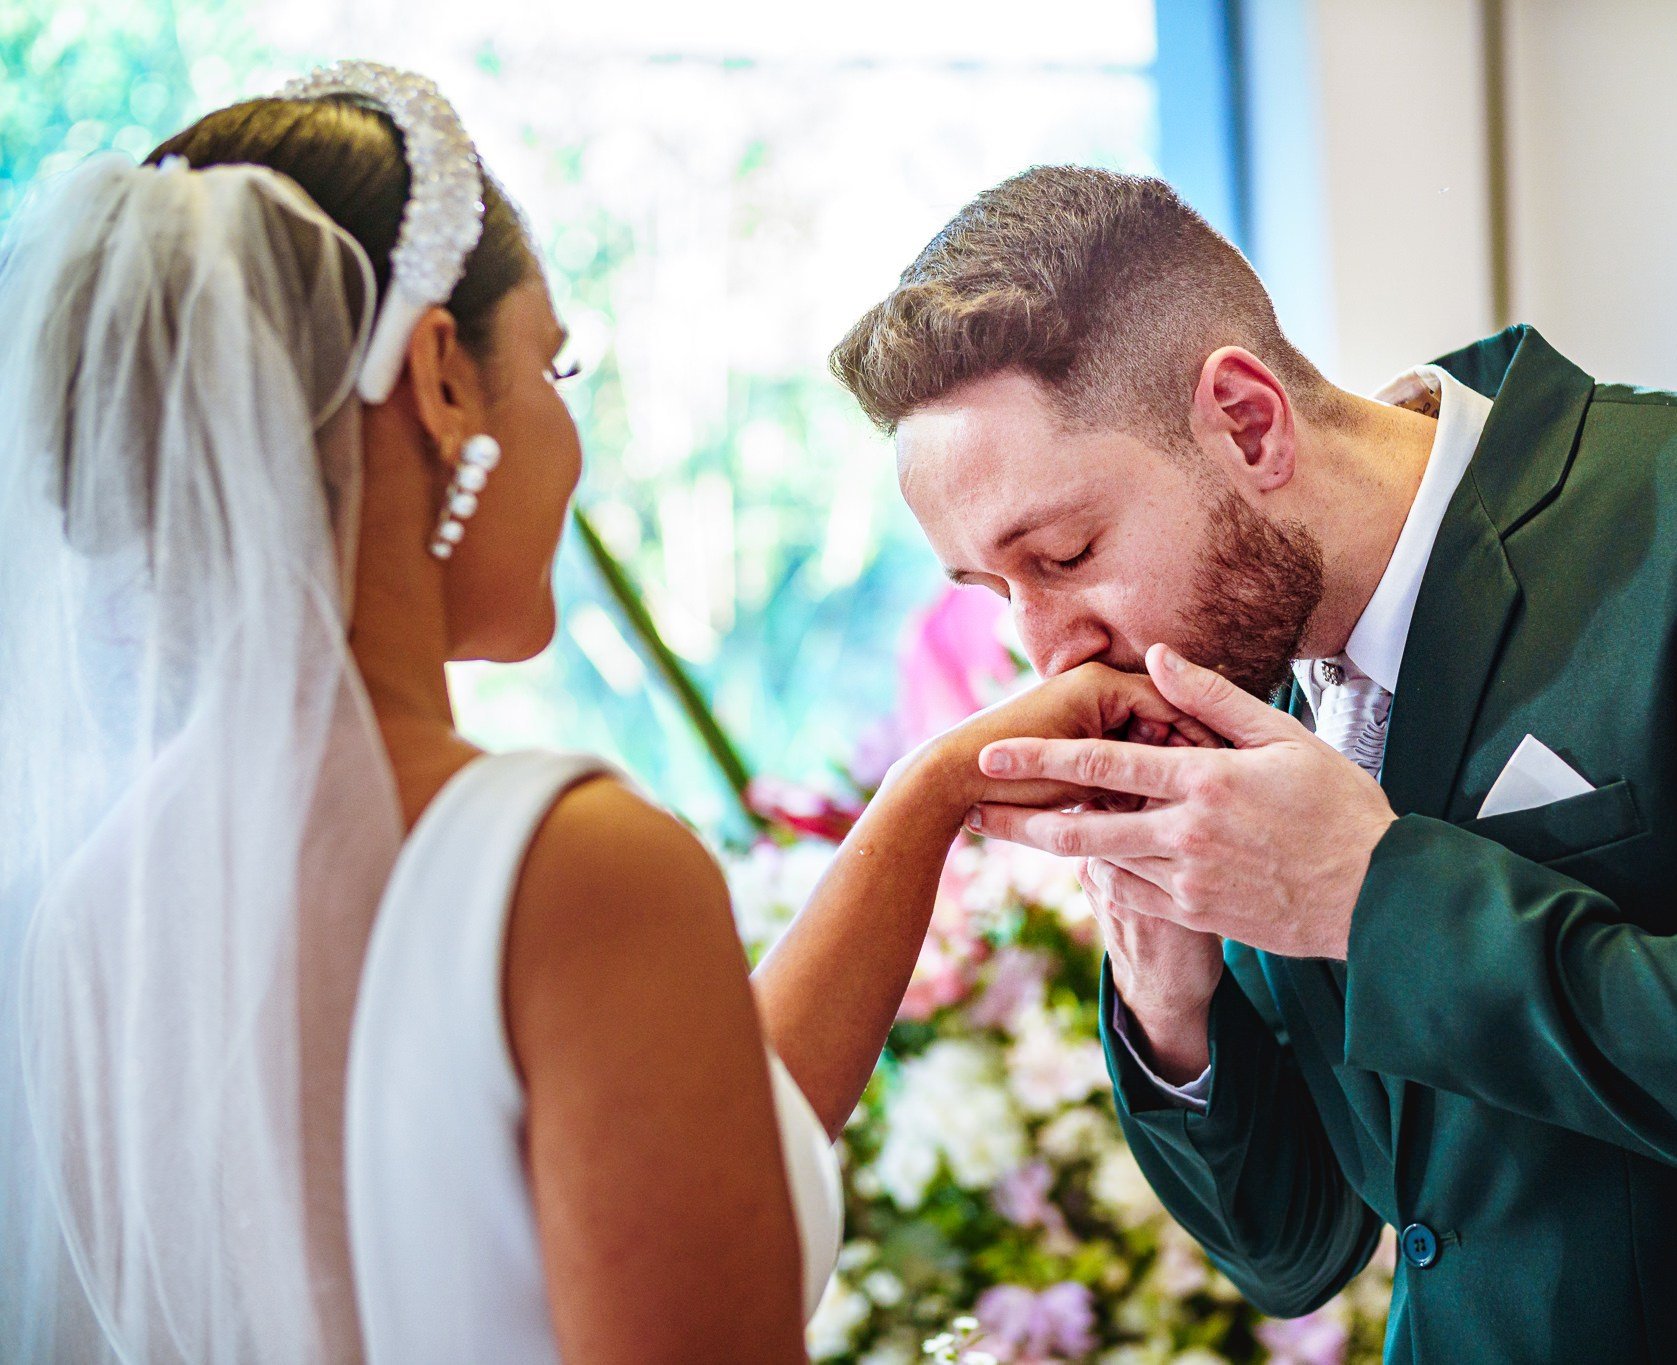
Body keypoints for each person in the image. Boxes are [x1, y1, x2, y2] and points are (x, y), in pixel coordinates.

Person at [0, 69, 1205, 1364]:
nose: (570, 431)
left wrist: (931, 796)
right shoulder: (568, 865)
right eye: (553, 364)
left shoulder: (80, 917)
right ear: (441, 380)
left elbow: (683, 1148)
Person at [830, 166, 1677, 1361]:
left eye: (1063, 551)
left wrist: (1372, 898)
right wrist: (1169, 988)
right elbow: (1295, 1248)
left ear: (1247, 422)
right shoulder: (1232, 668)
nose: (1042, 647)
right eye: (992, 590)